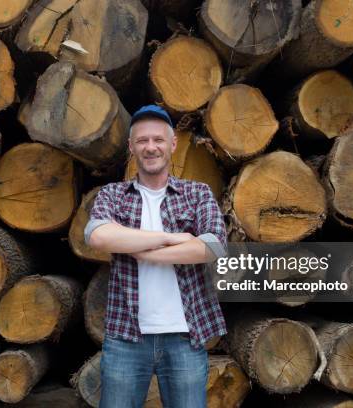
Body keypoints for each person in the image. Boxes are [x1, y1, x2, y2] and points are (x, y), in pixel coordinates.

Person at [84, 105, 227, 408]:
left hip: (186, 337)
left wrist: (135, 247)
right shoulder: (113, 195)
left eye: (159, 140)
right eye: (143, 141)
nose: (151, 148)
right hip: (125, 338)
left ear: (172, 144)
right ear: (132, 147)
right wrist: (171, 238)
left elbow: (214, 247)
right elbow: (97, 236)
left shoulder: (197, 193)